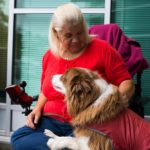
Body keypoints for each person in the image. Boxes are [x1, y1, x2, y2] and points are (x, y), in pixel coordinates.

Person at [11, 3, 135, 150]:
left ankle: (66, 145)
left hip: (87, 124)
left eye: (80, 33)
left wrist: (110, 109)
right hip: (50, 120)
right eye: (68, 35)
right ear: (56, 34)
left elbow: (126, 82)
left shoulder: (103, 49)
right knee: (18, 138)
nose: (76, 40)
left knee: (80, 144)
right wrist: (37, 108)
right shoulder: (49, 56)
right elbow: (45, 90)